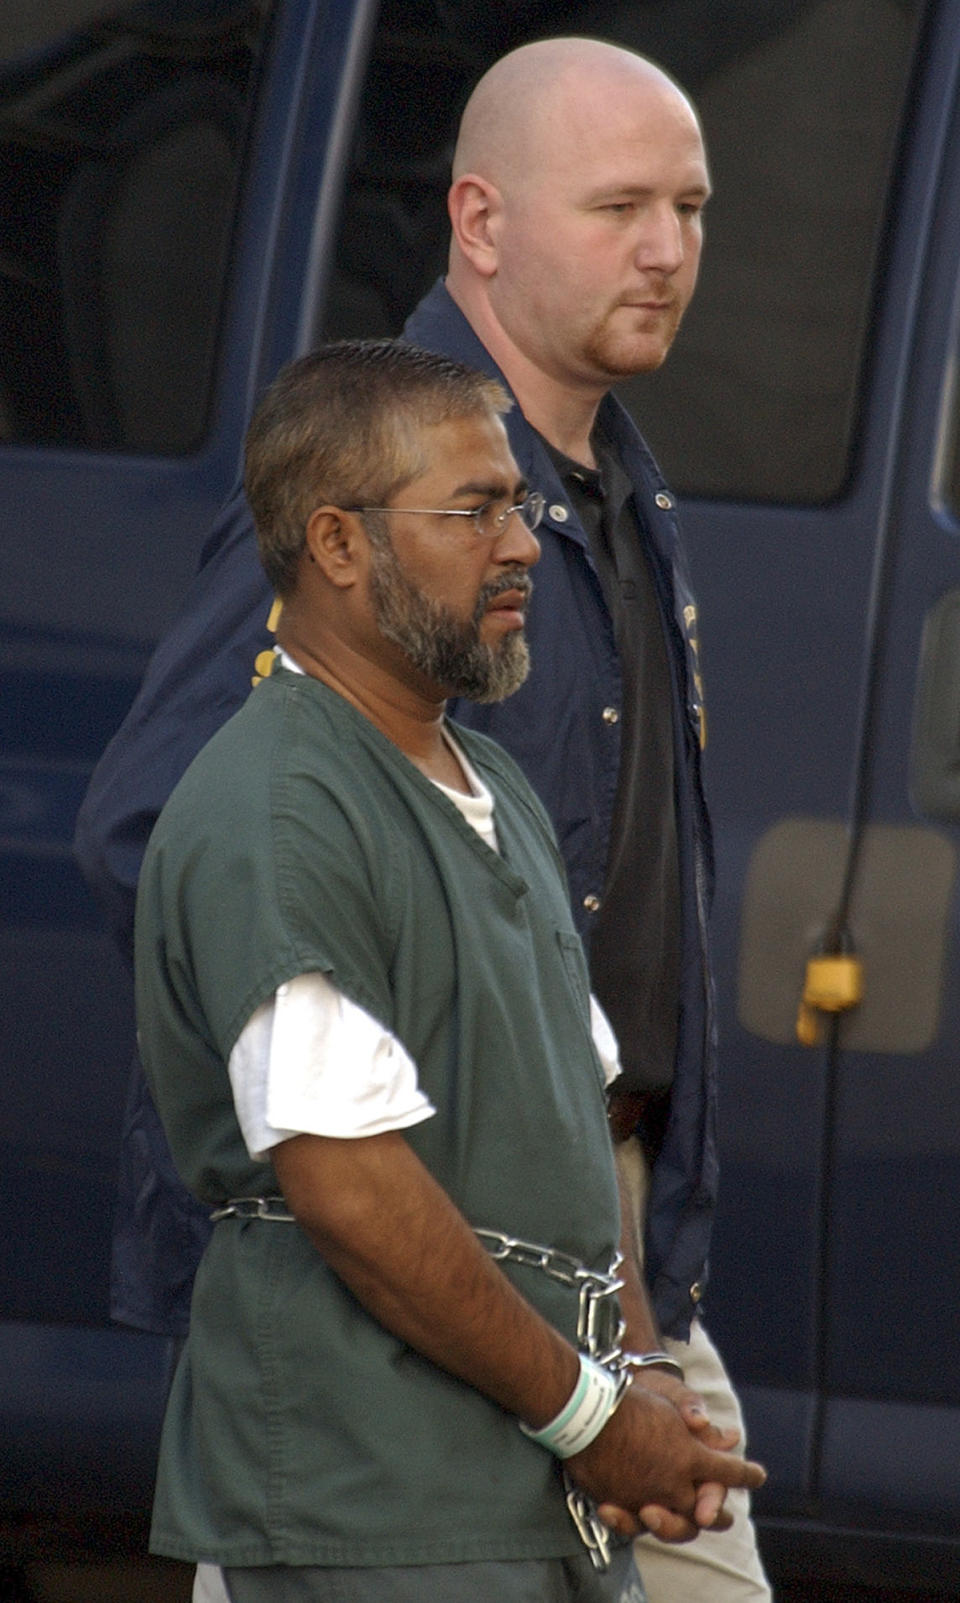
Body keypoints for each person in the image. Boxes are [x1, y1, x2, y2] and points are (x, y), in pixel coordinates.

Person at [75, 37, 772, 1602]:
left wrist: (616, 1305)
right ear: (479, 220)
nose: (668, 249)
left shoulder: (609, 492)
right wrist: (402, 1169)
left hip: (609, 1280)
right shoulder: (375, 489)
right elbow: (166, 833)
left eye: (692, 205)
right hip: (415, 1308)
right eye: (616, 206)